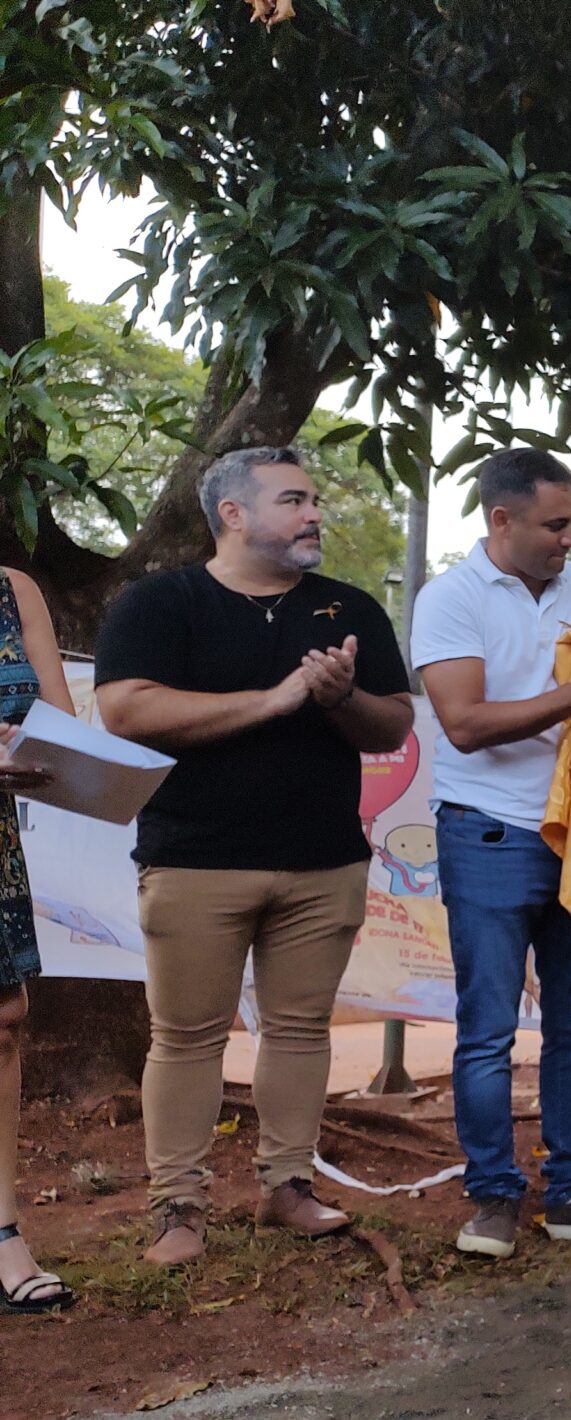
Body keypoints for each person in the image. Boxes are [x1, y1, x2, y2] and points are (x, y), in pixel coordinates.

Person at [93, 448, 415, 1267]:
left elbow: (393, 728)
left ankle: (287, 1186)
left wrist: (343, 698)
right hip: (196, 859)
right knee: (188, 1036)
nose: (313, 515)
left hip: (322, 860)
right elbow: (125, 709)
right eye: (293, 500)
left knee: (301, 1030)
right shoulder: (162, 602)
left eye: (314, 499)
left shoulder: (348, 608)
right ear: (232, 514)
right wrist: (276, 700)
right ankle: (178, 1207)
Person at [412, 448, 571, 1258]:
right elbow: (466, 724)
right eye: (556, 525)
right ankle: (492, 1198)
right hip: (489, 826)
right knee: (486, 1029)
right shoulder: (449, 599)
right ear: (502, 520)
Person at [1, 567, 75, 1311]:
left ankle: (3, 1237)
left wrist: (35, 755)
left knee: (3, 1023)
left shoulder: (14, 590)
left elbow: (59, 725)